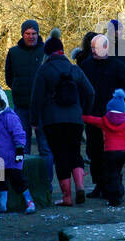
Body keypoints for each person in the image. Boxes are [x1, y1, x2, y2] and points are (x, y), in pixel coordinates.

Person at [30, 34, 94, 205]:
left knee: (60, 156)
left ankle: (66, 197)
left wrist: (34, 121)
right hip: (75, 119)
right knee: (74, 152)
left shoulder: (44, 70)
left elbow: (36, 98)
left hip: (53, 120)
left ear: (48, 53)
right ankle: (80, 187)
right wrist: (84, 113)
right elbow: (90, 92)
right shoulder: (74, 69)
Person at [79, 34, 125, 197]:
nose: (93, 51)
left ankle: (112, 185)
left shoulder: (117, 66)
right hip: (93, 115)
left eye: (96, 48)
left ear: (105, 48)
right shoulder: (86, 66)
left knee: (112, 152)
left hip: (111, 117)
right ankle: (99, 184)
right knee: (94, 151)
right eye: (92, 48)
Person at [4, 18, 54, 184]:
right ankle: (23, 183)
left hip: (43, 108)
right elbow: (9, 78)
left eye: (34, 33)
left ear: (38, 34)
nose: (31, 36)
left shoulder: (46, 53)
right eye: (27, 33)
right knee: (22, 147)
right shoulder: (13, 53)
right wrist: (19, 90)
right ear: (22, 34)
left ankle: (46, 184)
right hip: (22, 107)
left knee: (45, 148)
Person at [82, 89, 125, 207]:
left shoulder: (104, 121)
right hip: (123, 152)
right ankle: (118, 193)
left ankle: (114, 196)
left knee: (111, 174)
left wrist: (80, 115)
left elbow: (91, 120)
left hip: (110, 152)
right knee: (117, 172)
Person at [0, 87, 36, 214]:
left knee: (18, 180)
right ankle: (1, 204)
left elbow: (19, 133)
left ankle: (30, 202)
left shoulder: (9, 117)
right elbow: (0, 138)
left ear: (2, 104)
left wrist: (19, 149)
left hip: (11, 157)